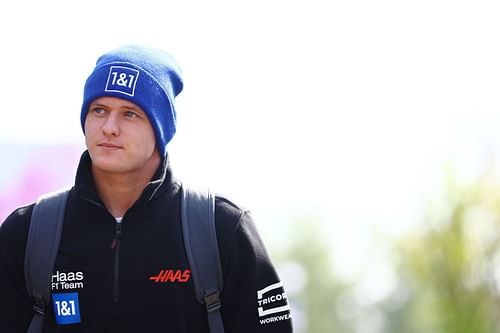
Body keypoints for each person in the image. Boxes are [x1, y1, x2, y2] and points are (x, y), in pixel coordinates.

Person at [0, 45, 293, 332]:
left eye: (130, 114)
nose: (109, 127)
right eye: (99, 110)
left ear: (160, 128)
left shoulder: (222, 229)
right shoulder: (28, 232)